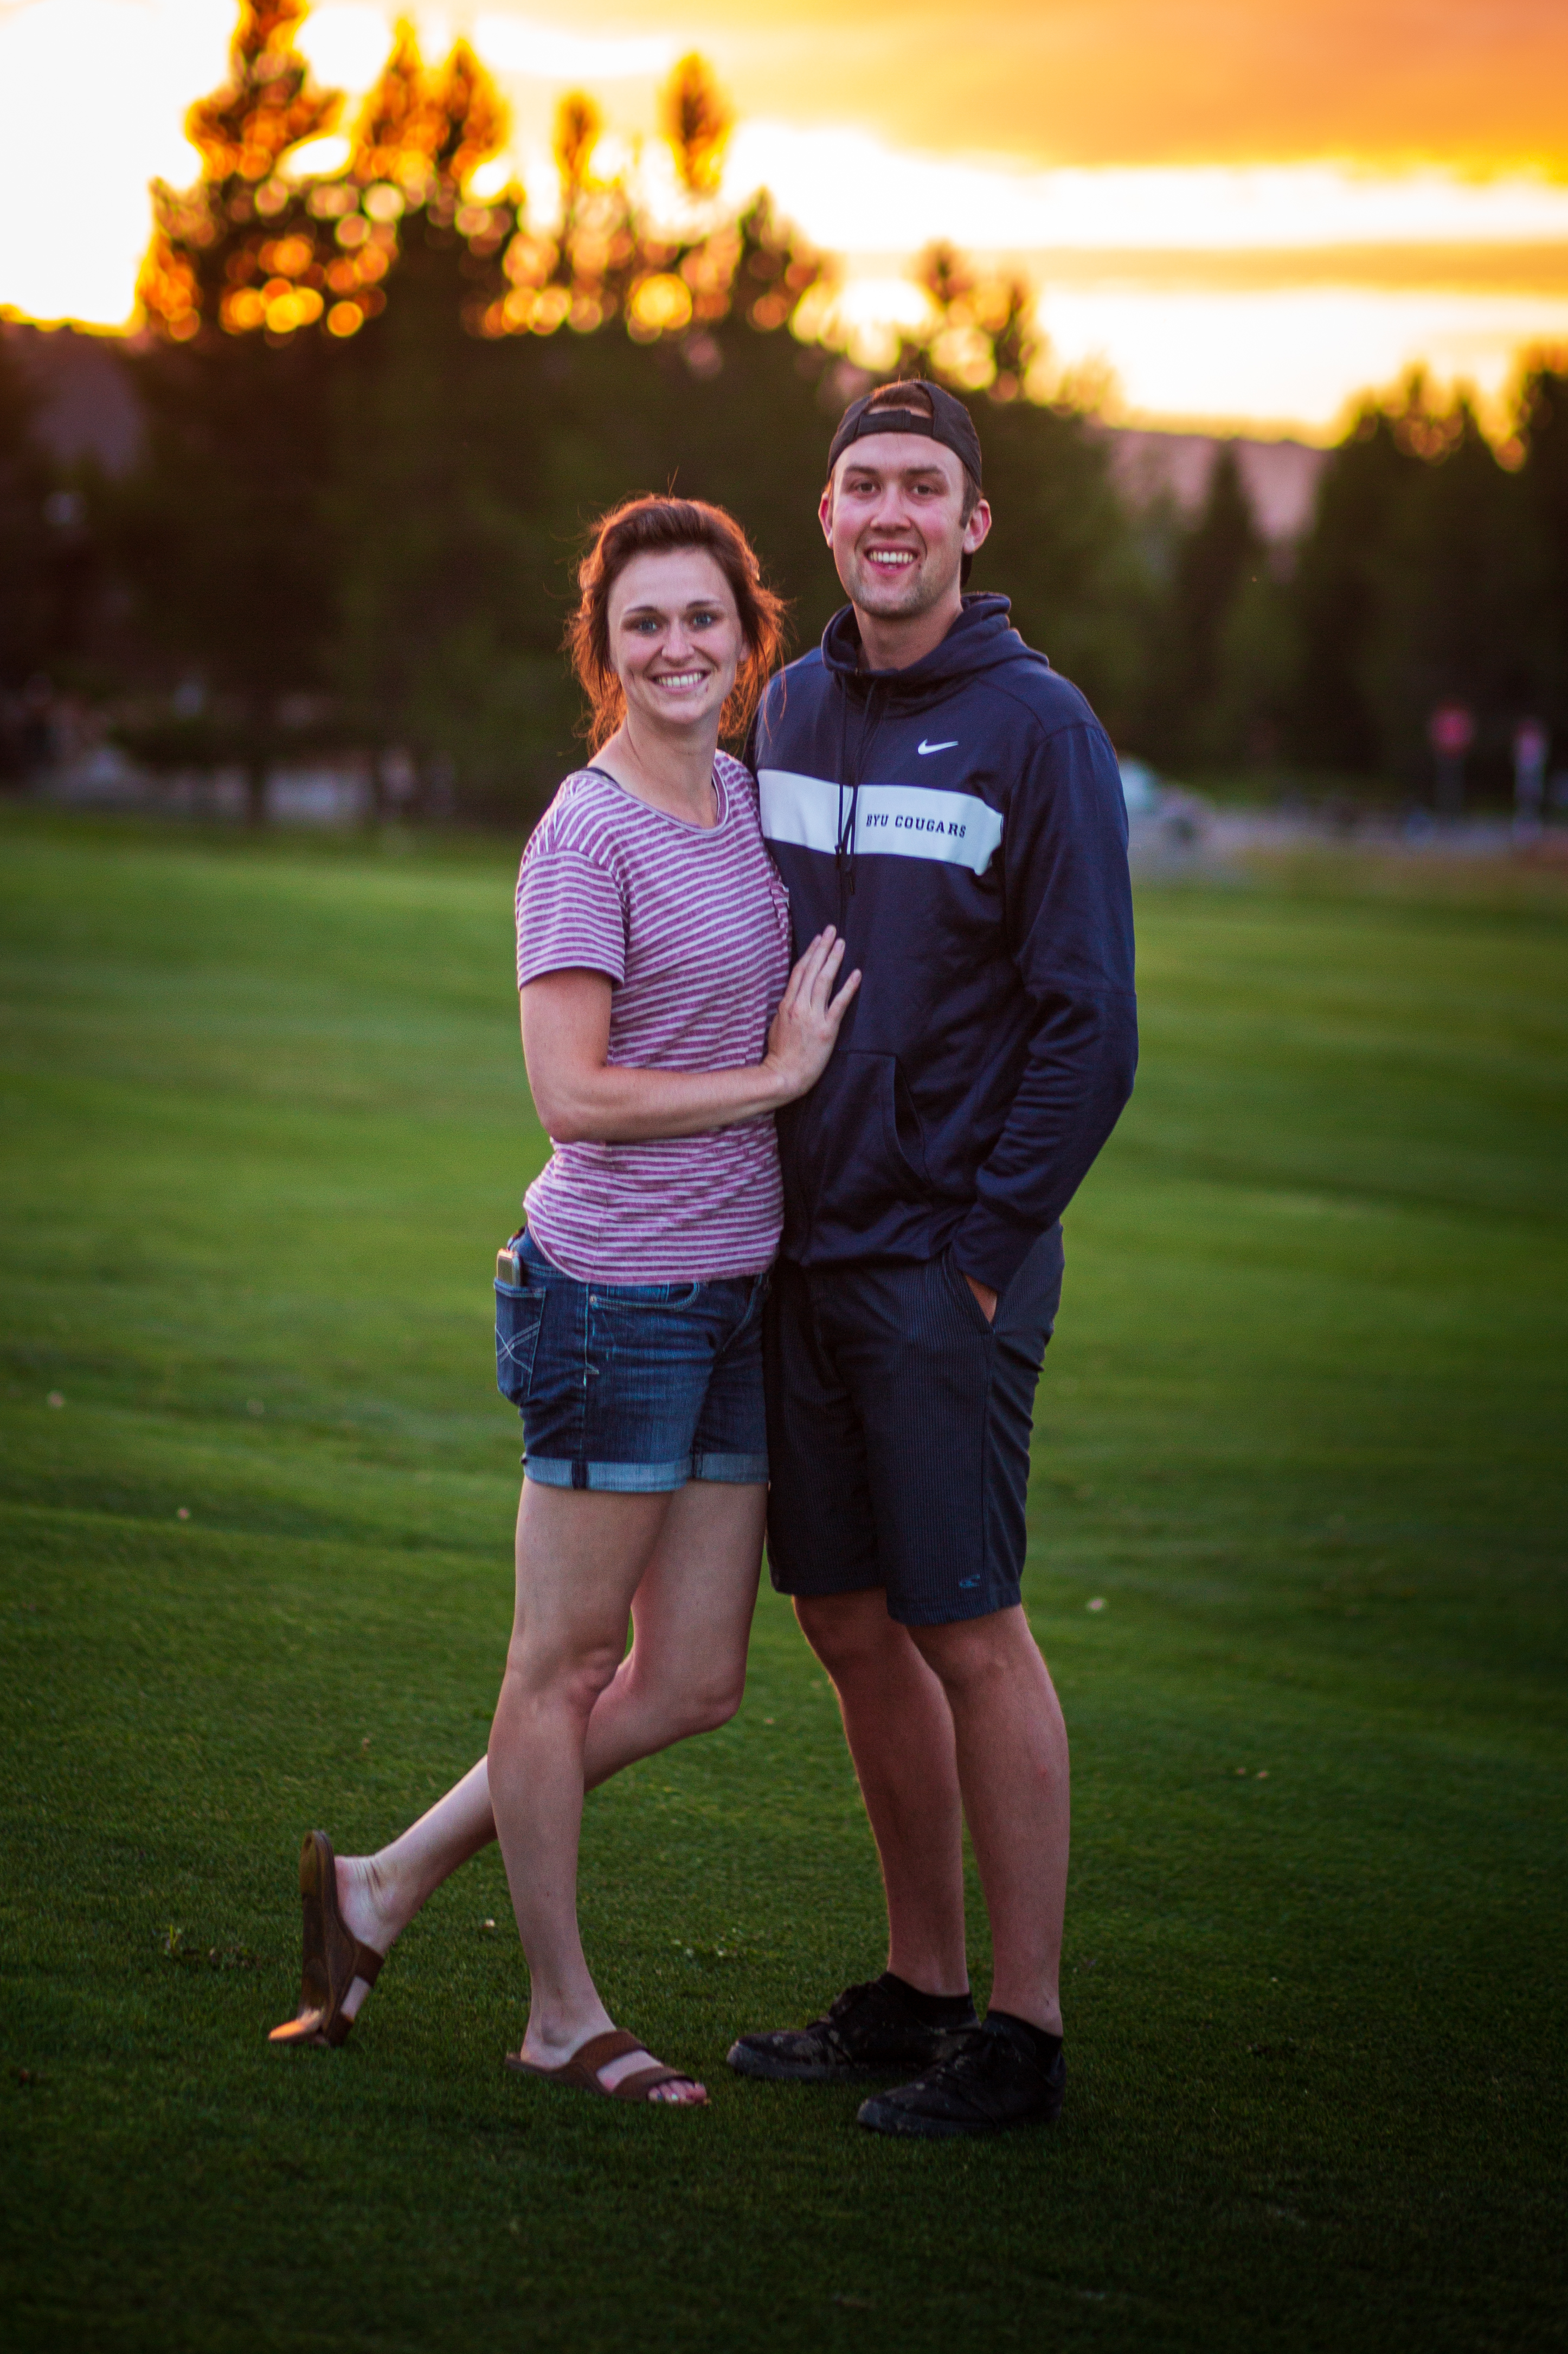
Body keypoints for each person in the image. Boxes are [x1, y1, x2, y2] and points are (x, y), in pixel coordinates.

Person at [272, 494, 859, 2104]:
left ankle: (382, 1886)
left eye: (704, 619)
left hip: (740, 1292)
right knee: (563, 1663)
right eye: (642, 623)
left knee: (695, 1682)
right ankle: (555, 2015)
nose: (677, 647)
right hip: (613, 1293)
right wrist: (776, 1078)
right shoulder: (583, 833)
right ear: (601, 650)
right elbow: (572, 1093)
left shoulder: (752, 803)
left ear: (751, 640)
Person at [729, 377, 1136, 2138]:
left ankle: (1025, 2035)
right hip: (793, 1258)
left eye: (924, 488)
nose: (888, 512)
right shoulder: (790, 704)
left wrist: (983, 1252)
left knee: (970, 1628)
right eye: (860, 485)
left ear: (973, 526)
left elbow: (1090, 1025)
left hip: (940, 1269)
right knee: (844, 1619)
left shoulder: (1040, 729)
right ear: (825, 519)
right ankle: (917, 1989)